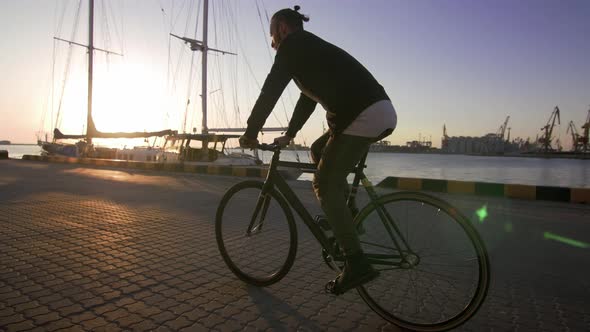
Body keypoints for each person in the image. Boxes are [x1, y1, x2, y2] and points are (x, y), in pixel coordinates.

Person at [239, 5, 397, 294]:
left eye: (272, 34)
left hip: (360, 114)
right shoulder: (310, 49)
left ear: (283, 28)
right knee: (317, 150)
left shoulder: (292, 47)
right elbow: (307, 98)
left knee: (323, 183)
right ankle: (348, 214)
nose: (272, 41)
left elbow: (270, 90)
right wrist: (290, 134)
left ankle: (356, 262)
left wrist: (250, 132)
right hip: (378, 109)